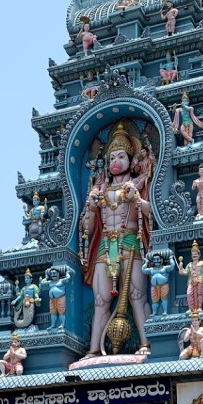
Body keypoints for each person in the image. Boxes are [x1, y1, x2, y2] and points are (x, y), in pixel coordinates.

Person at [80, 120, 152, 355]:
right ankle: (92, 350)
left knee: (136, 296)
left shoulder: (139, 185)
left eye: (121, 156)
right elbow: (87, 231)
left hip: (131, 242)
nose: (115, 162)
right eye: (111, 158)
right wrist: (90, 207)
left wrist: (136, 200)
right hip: (105, 247)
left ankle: (146, 343)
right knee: (101, 302)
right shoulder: (99, 191)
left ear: (131, 160)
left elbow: (154, 215)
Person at [178, 240, 203, 312]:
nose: (194, 255)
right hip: (191, 281)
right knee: (189, 293)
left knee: (199, 294)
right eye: (193, 254)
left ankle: (199, 307)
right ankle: (190, 308)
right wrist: (181, 267)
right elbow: (184, 272)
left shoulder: (202, 263)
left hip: (199, 280)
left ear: (199, 255)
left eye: (195, 254)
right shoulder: (189, 265)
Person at [141, 251, 176, 315]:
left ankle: (165, 311)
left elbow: (172, 266)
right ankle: (154, 313)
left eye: (158, 259)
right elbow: (143, 270)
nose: (156, 261)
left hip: (164, 285)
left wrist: (171, 258)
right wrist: (146, 263)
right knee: (154, 300)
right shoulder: (151, 269)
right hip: (154, 286)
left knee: (164, 299)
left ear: (161, 260)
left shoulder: (165, 268)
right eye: (154, 260)